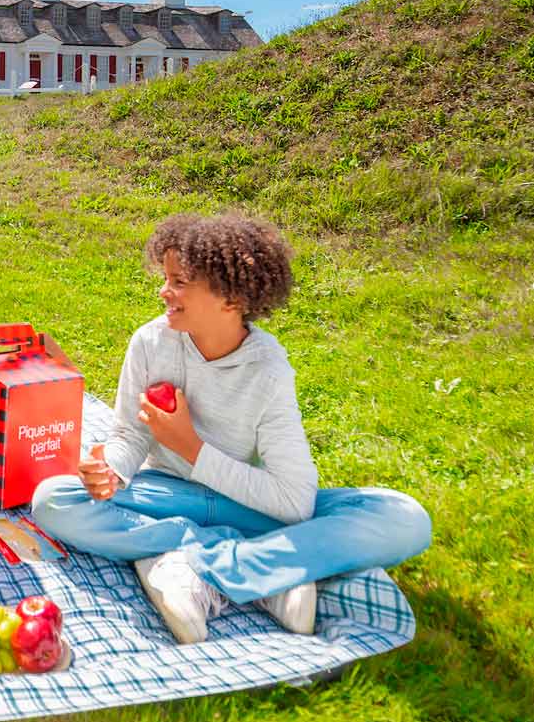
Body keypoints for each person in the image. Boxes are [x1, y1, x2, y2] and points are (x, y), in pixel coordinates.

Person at [29, 213, 432, 644]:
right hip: (168, 495)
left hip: (245, 502)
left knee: (405, 519)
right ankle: (271, 569)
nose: (164, 291)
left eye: (179, 281)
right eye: (166, 278)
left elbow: (293, 502)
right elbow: (130, 435)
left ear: (230, 299)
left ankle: (209, 569)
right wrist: (110, 471)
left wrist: (192, 448)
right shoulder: (149, 342)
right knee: (53, 499)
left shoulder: (268, 370)